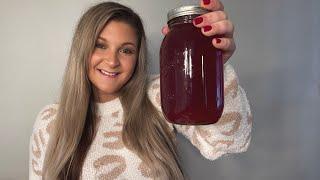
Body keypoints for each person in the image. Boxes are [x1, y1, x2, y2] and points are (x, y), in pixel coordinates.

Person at [29, 0, 252, 179]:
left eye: (126, 50)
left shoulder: (158, 95)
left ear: (138, 57)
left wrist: (215, 67)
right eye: (100, 45)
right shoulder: (50, 121)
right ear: (82, 48)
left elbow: (229, 142)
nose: (112, 61)